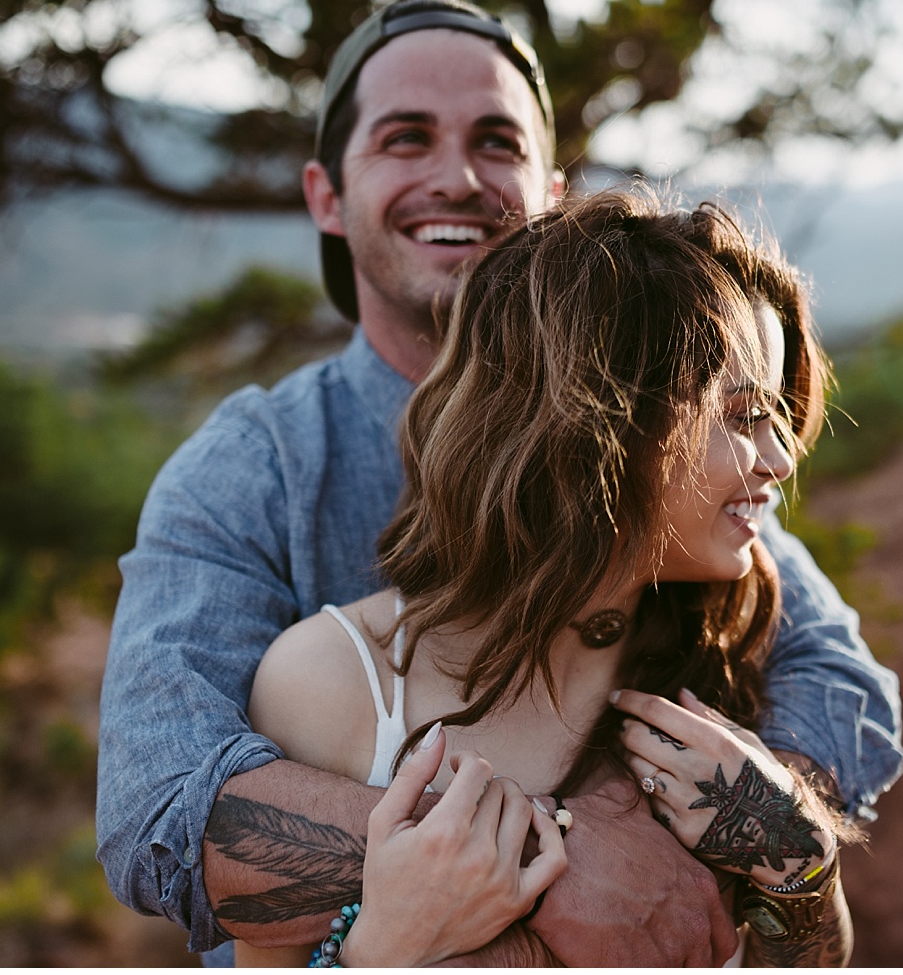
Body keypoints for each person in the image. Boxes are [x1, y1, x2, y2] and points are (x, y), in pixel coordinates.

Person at [96, 0, 903, 966]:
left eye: (497, 141)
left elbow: (836, 682)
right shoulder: (255, 469)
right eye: (405, 139)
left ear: (551, 193)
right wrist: (563, 858)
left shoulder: (670, 487)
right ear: (324, 195)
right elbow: (163, 805)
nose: (458, 177)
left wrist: (740, 844)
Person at [238, 188, 859, 967]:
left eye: (777, 417)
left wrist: (801, 865)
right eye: (740, 415)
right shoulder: (331, 685)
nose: (782, 457)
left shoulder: (730, 655)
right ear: (605, 423)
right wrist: (385, 947)